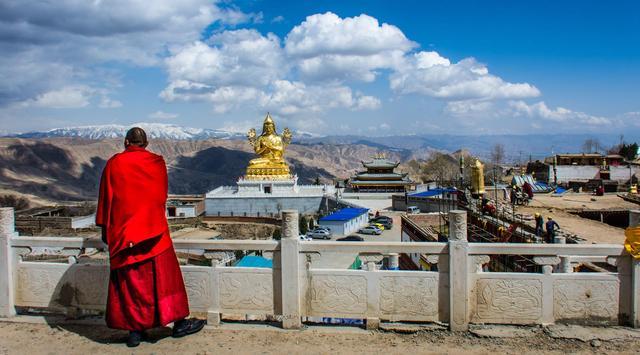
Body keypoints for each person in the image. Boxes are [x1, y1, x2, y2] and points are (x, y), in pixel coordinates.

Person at [96, 127, 205, 347]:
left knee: (130, 284)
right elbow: (160, 196)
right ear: (146, 143)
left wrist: (106, 229)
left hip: (123, 235)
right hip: (154, 233)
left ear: (126, 142)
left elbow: (106, 198)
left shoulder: (114, 164)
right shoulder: (156, 162)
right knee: (165, 280)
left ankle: (135, 331)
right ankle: (178, 323)